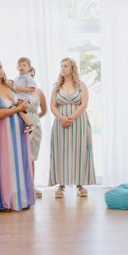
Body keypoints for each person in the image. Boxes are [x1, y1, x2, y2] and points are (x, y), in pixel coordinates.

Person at [0, 58, 35, 212]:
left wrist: (28, 122)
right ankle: (4, 201)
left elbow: (19, 105)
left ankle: (20, 199)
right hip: (2, 131)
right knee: (5, 163)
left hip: (18, 131)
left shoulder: (9, 86)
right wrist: (19, 110)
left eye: (0, 66)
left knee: (19, 162)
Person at [48, 57, 96, 198]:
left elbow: (84, 104)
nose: (63, 68)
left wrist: (72, 117)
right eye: (61, 66)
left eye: (66, 66)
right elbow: (52, 105)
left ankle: (80, 185)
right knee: (60, 152)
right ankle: (61, 185)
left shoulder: (81, 85)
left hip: (79, 122)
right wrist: (62, 118)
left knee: (79, 152)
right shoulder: (56, 86)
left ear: (72, 68)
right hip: (60, 122)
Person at [26, 66, 47, 198]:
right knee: (21, 156)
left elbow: (44, 110)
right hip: (20, 124)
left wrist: (35, 119)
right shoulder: (16, 91)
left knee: (31, 157)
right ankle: (19, 186)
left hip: (35, 125)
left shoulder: (38, 92)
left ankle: (31, 186)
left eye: (31, 73)